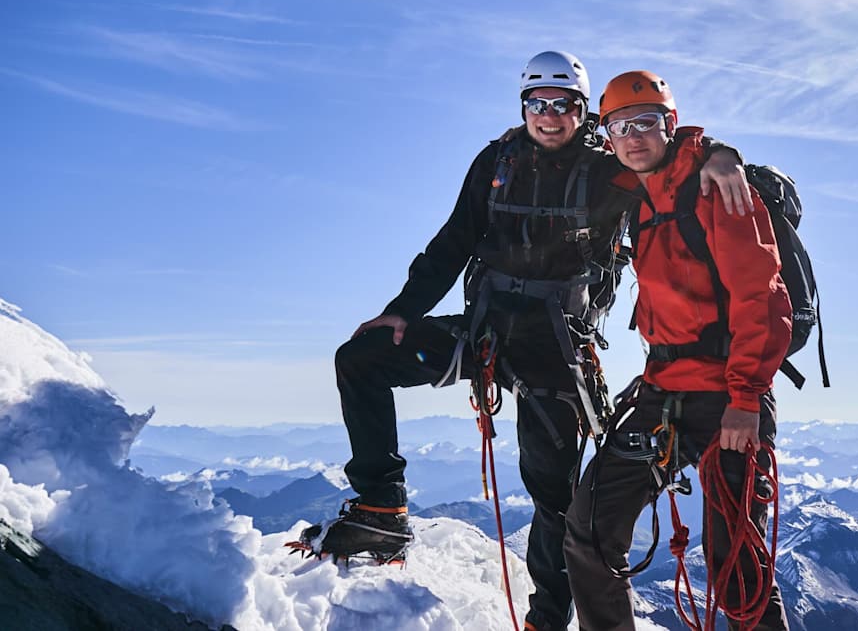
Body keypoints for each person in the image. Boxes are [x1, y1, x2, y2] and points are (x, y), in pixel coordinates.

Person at [293, 52, 749, 631]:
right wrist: (402, 313)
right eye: (539, 104)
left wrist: (719, 155)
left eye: (564, 106)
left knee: (553, 497)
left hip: (557, 352)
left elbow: (663, 156)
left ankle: (546, 621)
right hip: (484, 334)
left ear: (583, 113)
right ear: (524, 107)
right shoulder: (496, 162)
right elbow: (453, 242)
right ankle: (381, 507)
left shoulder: (610, 168)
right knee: (362, 359)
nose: (551, 116)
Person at [563, 70, 793, 630]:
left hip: (728, 399)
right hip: (663, 392)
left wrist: (745, 398)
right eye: (621, 126)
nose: (634, 136)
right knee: (589, 532)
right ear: (607, 135)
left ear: (670, 124)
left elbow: (761, 298)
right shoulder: (635, 197)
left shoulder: (718, 189)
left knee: (734, 562)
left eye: (647, 123)